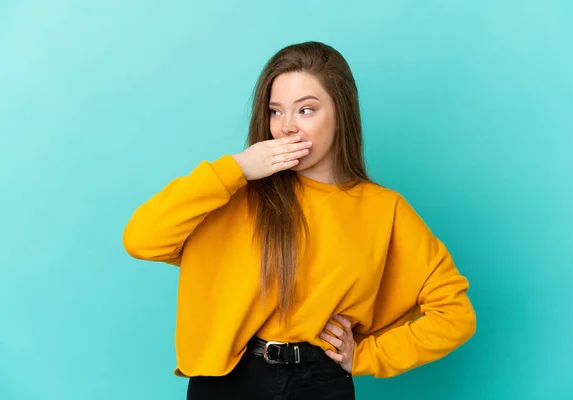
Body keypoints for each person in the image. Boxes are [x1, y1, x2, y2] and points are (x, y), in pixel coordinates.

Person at [123, 41, 476, 399]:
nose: (287, 127)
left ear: (341, 113)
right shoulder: (235, 193)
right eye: (276, 112)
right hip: (228, 381)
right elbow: (142, 239)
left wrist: (369, 356)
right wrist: (237, 167)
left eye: (306, 110)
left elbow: (455, 314)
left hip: (321, 382)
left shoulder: (384, 209)